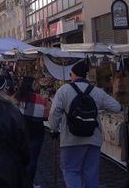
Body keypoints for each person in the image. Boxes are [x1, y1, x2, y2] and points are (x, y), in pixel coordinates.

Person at [49, 60, 122, 188]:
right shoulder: (97, 91)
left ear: (74, 74)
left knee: (71, 170)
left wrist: (54, 129)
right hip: (93, 139)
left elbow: (54, 112)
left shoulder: (64, 90)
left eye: (70, 74)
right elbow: (116, 107)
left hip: (71, 139)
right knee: (91, 173)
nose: (70, 77)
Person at [14, 76, 50, 186]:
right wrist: (47, 102)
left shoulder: (17, 97)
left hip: (20, 132)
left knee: (21, 158)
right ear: (32, 84)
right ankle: (29, 183)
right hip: (36, 133)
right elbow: (46, 115)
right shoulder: (39, 98)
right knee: (32, 160)